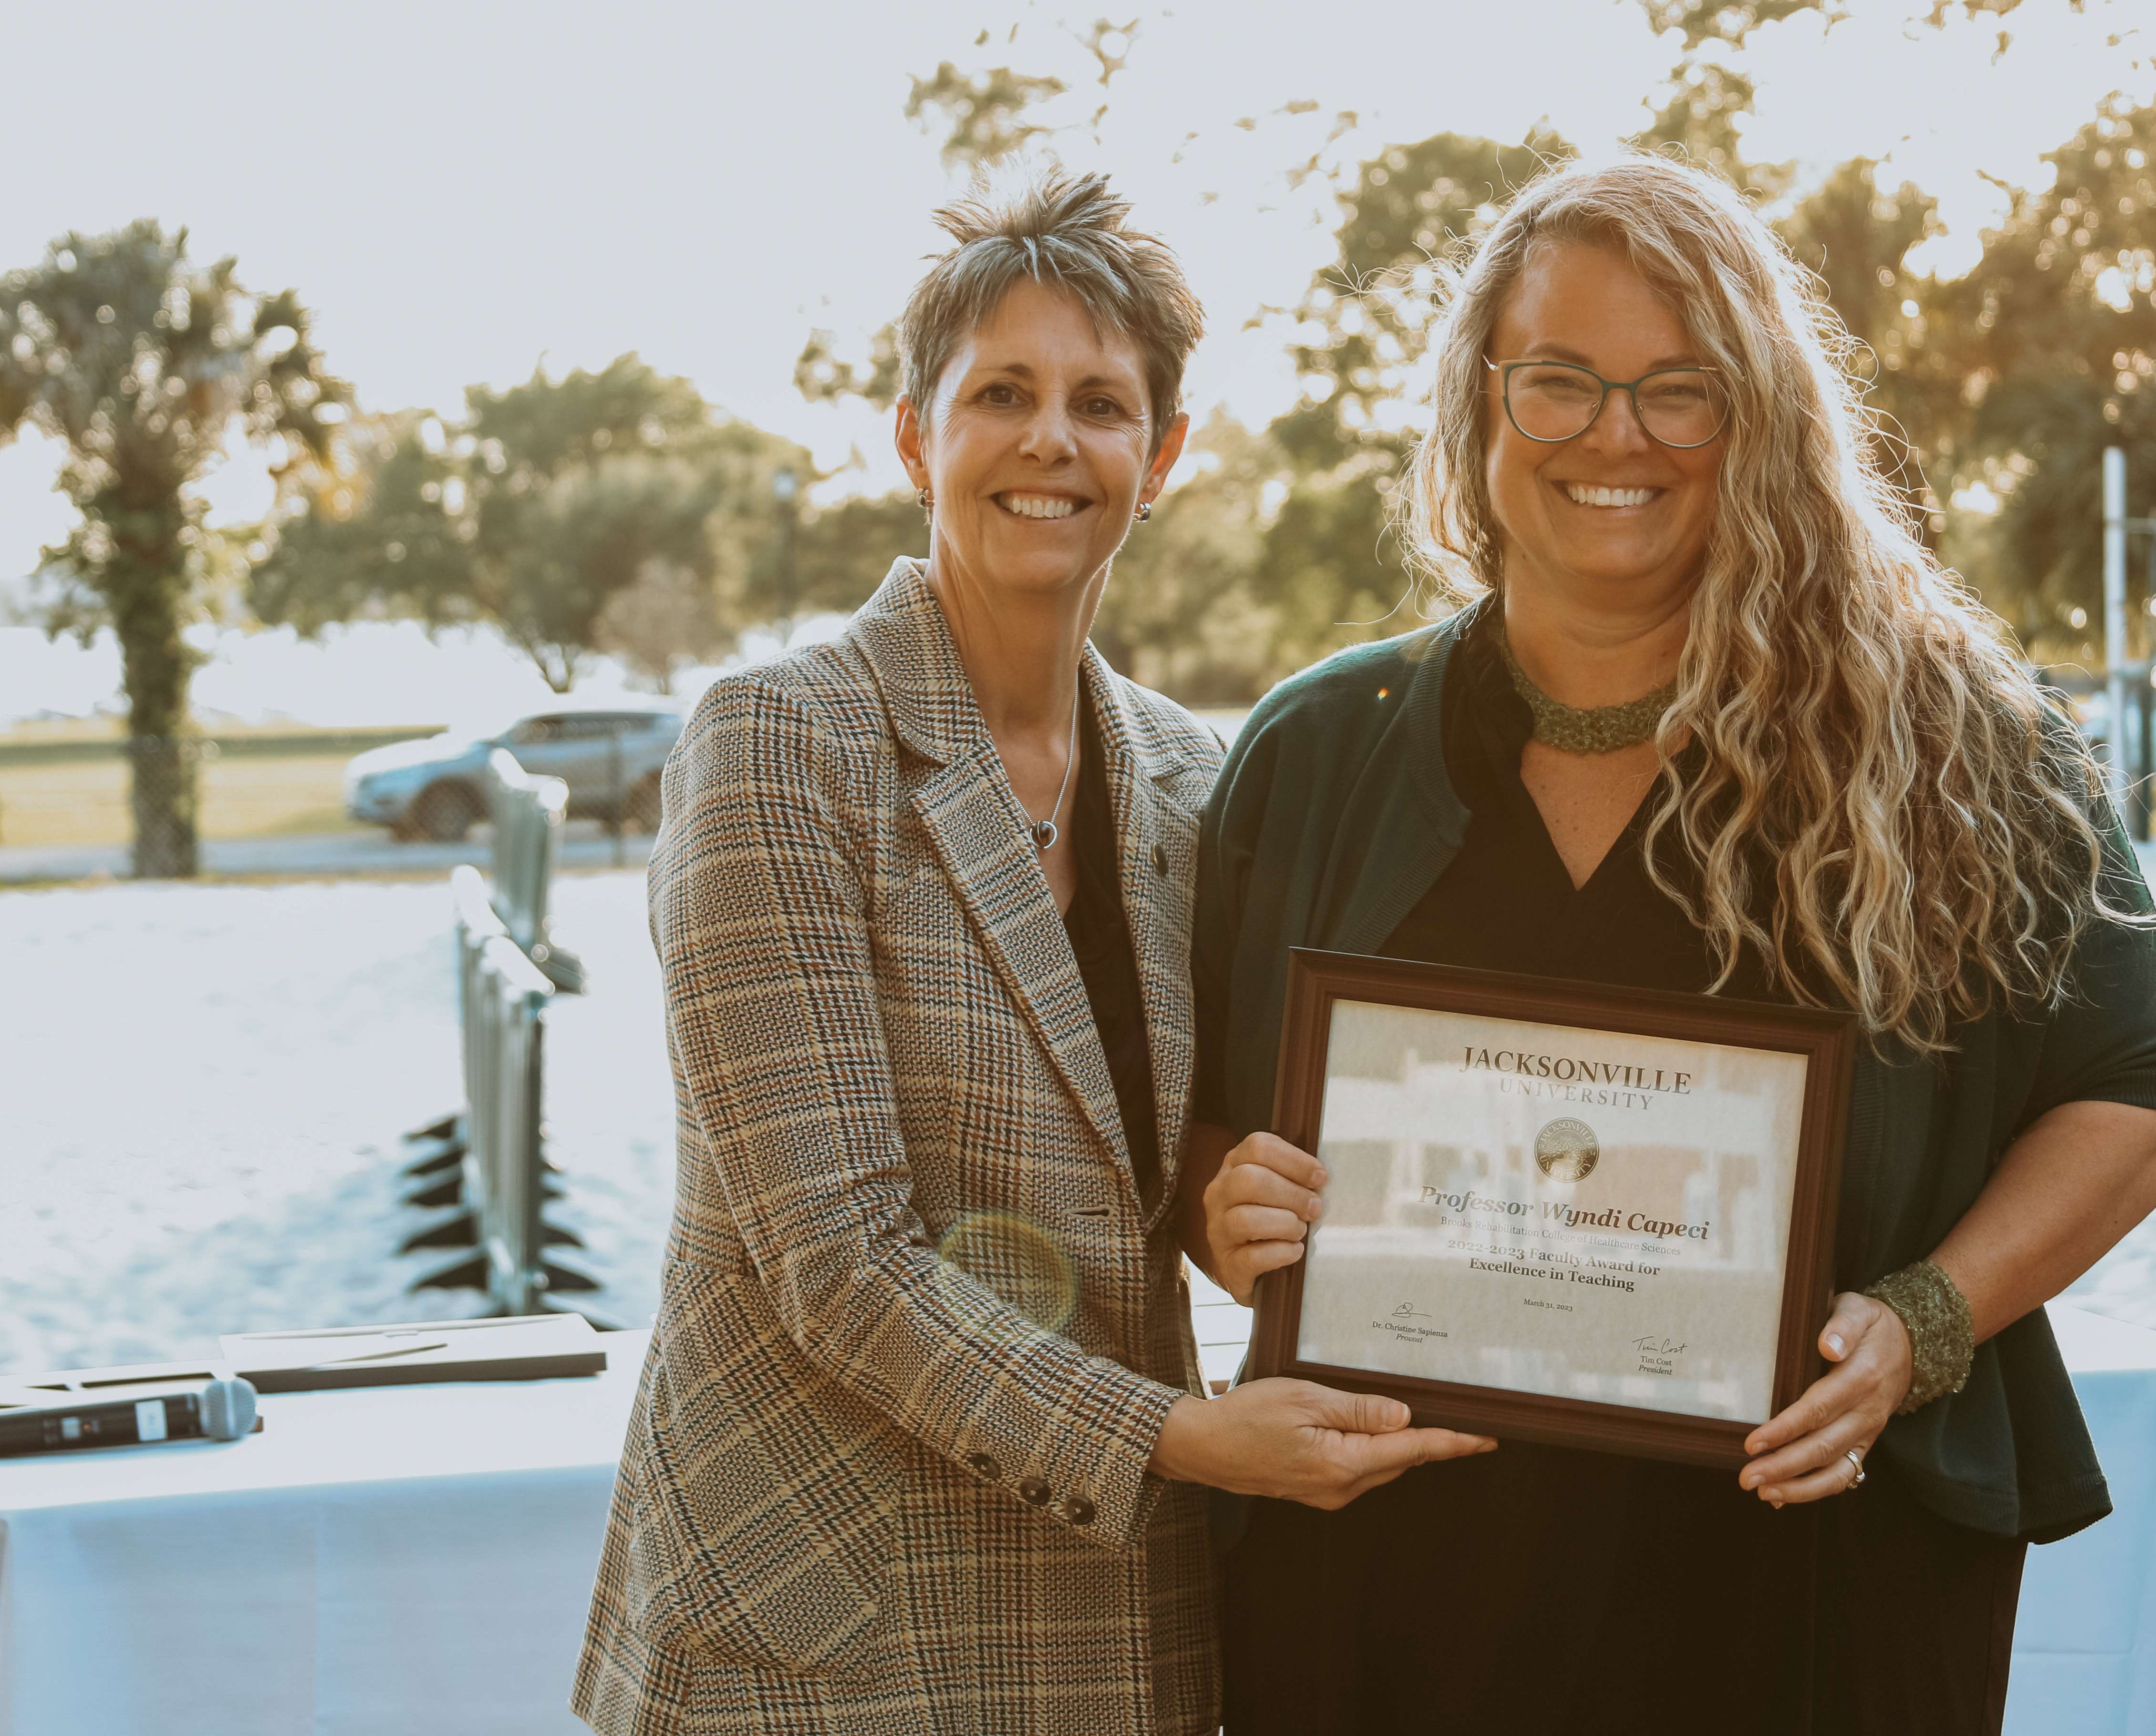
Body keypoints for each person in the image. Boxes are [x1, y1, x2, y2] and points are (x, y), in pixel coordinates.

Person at [1184, 153, 2156, 1736]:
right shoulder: (1320, 751)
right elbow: (1189, 1127)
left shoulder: (1956, 743)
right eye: (1560, 382)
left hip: (1810, 1586)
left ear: (1764, 418)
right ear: (1476, 405)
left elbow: (2135, 1102)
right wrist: (1217, 1197)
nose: (1619, 434)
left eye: (1684, 388)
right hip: (1390, 1590)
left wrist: (1923, 1327)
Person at [574, 168, 1486, 1736]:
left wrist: (1238, 1201)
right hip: (825, 1628)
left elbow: (1179, 1179)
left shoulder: (1199, 782)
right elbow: (838, 1264)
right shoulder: (777, 746)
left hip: (1123, 1636)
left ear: (1165, 457)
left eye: (1102, 403)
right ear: (918, 432)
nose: (1052, 440)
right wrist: (1195, 1444)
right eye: (1003, 393)